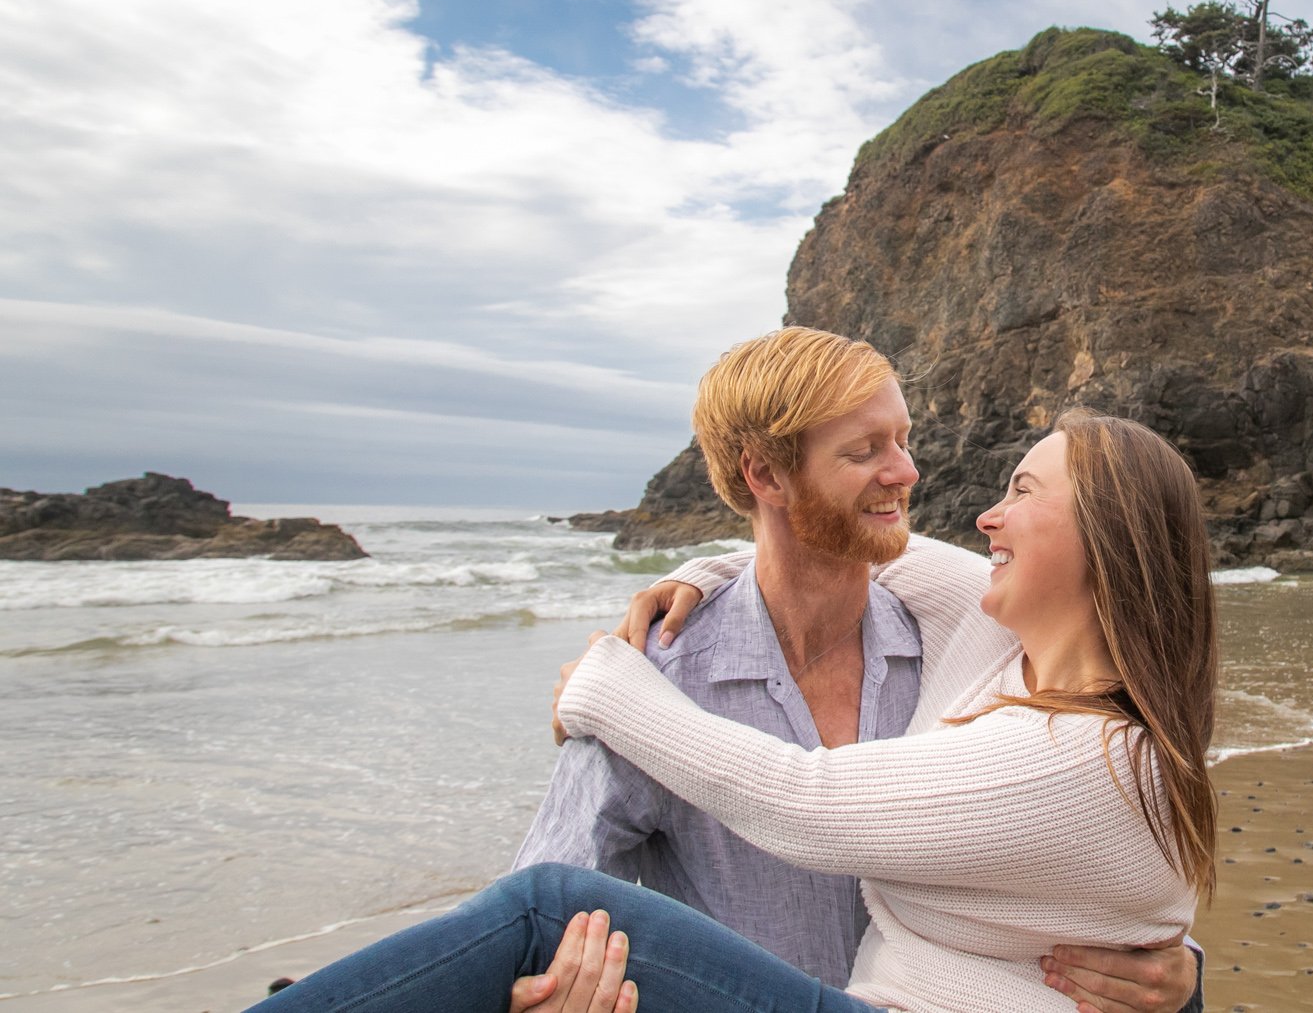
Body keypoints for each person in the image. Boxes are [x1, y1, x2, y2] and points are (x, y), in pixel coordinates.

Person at [255, 405, 1218, 1013]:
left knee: (547, 905)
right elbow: (838, 539)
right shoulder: (1004, 638)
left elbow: (807, 801)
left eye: (1022, 492)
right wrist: (698, 575)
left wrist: (610, 686)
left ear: (1105, 537)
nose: (985, 517)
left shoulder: (1092, 755)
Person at [516, 327, 1199, 1013]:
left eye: (902, 440)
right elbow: (547, 919)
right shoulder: (667, 672)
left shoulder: (957, 649)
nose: (908, 472)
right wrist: (547, 994)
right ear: (766, 476)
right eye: (867, 449)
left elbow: (1086, 862)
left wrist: (1177, 967)